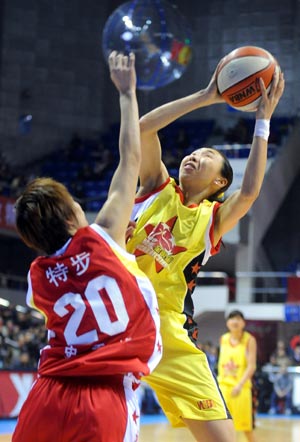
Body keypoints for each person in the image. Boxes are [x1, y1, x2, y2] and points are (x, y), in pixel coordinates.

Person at [126, 57, 284, 442]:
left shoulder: (213, 218)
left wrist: (262, 122)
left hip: (169, 330)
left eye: (207, 156)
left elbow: (249, 192)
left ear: (218, 182)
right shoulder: (156, 185)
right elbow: (143, 128)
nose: (194, 155)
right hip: (116, 317)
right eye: (193, 151)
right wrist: (206, 96)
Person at [12, 52, 162, 442]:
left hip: (47, 393)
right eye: (75, 203)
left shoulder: (36, 277)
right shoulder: (101, 237)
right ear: (69, 219)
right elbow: (131, 160)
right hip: (104, 394)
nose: (82, 205)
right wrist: (127, 93)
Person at [218, 310, 257, 442]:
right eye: (232, 318)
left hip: (241, 389)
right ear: (227, 322)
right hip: (223, 388)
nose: (235, 321)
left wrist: (239, 385)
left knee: (246, 429)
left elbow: (252, 366)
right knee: (223, 426)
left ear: (243, 323)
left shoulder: (249, 340)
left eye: (238, 319)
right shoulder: (223, 339)